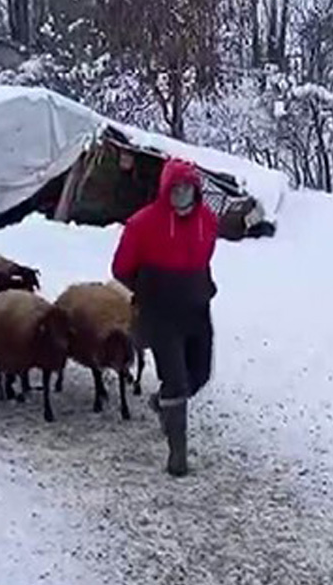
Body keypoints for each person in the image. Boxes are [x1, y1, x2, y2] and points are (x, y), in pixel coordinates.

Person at [111, 158, 218, 477]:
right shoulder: (142, 225)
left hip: (196, 307)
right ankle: (178, 456)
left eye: (188, 188)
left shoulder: (206, 220)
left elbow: (211, 249)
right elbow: (120, 268)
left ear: (197, 191)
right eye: (176, 188)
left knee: (198, 375)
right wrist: (147, 288)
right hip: (160, 312)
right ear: (165, 190)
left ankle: (163, 403)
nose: (182, 194)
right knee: (176, 380)